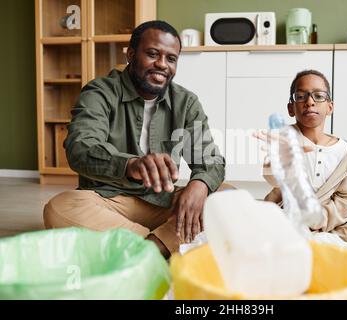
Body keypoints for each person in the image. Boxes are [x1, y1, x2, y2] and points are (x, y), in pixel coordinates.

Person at [43, 20, 226, 258]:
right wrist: (131, 164)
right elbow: (80, 148)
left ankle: (143, 250)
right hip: (107, 199)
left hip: (162, 201)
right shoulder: (99, 93)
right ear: (131, 54)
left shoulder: (185, 102)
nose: (162, 65)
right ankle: (166, 246)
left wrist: (199, 184)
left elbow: (211, 159)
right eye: (152, 54)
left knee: (226, 196)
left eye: (171, 59)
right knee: (59, 209)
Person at [261, 69, 347, 244]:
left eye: (318, 96)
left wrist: (321, 220)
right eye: (301, 96)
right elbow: (272, 176)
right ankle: (319, 241)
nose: (310, 102)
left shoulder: (346, 151)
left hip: (330, 220)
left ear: (330, 107)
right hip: (288, 216)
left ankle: (326, 240)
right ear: (291, 107)